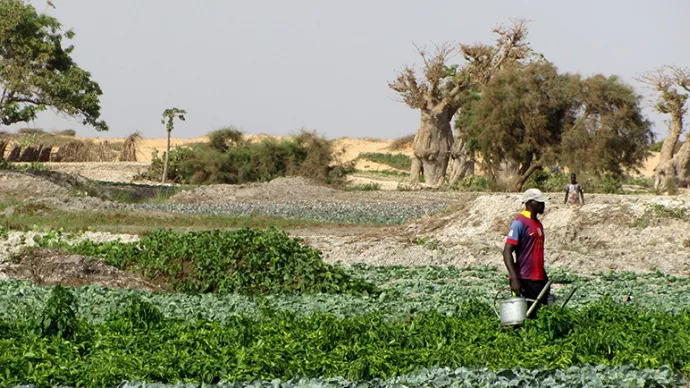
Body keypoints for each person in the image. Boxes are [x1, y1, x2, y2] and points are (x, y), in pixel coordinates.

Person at [503, 188, 550, 317]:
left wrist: (544, 277)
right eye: (539, 202)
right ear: (530, 203)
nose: (543, 205)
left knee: (541, 316)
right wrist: (514, 279)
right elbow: (507, 252)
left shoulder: (538, 224)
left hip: (539, 278)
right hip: (525, 278)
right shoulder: (519, 223)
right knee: (524, 317)